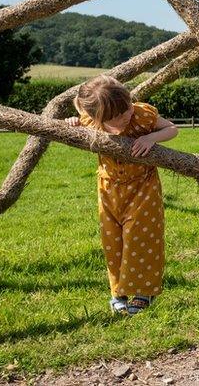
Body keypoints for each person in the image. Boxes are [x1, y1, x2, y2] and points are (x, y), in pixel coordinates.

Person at [65, 75, 178, 315]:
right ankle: (119, 291)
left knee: (141, 236)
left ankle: (143, 292)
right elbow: (76, 113)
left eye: (127, 108)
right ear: (100, 118)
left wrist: (152, 137)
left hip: (143, 188)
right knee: (112, 240)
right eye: (119, 116)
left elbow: (171, 128)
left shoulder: (142, 115)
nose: (126, 115)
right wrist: (73, 121)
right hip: (109, 189)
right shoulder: (91, 121)